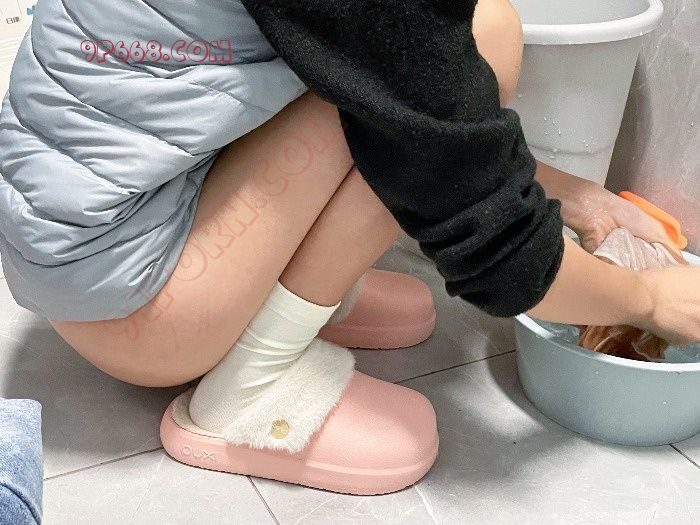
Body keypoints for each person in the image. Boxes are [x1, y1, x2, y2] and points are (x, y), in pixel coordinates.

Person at [1, 0, 699, 495]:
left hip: (84, 243)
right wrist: (648, 298)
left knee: (427, 65)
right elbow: (494, 248)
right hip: (139, 305)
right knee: (482, 39)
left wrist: (567, 193)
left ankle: (293, 297)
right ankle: (248, 389)